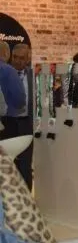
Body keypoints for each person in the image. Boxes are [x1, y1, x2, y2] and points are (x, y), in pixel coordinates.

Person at [1, 44, 33, 188]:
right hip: (8, 123)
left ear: (28, 59)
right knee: (8, 163)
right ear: (10, 57)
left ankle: (26, 195)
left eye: (22, 58)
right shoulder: (6, 72)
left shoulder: (33, 75)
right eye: (15, 57)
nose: (18, 61)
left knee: (25, 164)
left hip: (26, 123)